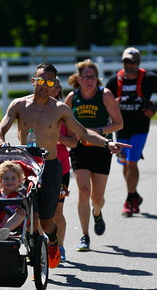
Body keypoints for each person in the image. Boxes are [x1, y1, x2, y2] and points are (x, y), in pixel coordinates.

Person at [0, 63, 131, 269]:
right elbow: (0, 130)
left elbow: (83, 133)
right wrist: (1, 144)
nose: (44, 85)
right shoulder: (19, 105)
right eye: (41, 80)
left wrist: (107, 142)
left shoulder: (59, 109)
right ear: (34, 81)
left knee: (48, 221)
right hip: (26, 166)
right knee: (31, 216)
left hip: (49, 166)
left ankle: (53, 243)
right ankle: (35, 257)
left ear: (54, 86)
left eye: (49, 82)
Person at [65, 59, 124, 251]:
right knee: (83, 191)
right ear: (78, 79)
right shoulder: (72, 98)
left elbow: (118, 123)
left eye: (92, 76)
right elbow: (63, 123)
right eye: (85, 77)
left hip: (101, 147)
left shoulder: (105, 95)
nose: (89, 80)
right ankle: (85, 236)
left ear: (97, 79)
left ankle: (97, 213)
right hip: (79, 149)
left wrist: (97, 130)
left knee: (97, 199)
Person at [106, 47, 157, 217]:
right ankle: (134, 196)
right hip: (120, 128)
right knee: (125, 163)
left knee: (132, 162)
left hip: (140, 128)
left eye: (132, 62)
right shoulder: (114, 81)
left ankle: (128, 200)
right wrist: (113, 104)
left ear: (139, 62)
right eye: (126, 61)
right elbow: (103, 101)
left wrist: (154, 109)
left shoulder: (148, 78)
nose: (129, 65)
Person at [51, 76, 77, 261]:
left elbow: (74, 141)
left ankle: (60, 246)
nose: (49, 88)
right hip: (38, 167)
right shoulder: (32, 109)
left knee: (57, 212)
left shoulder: (63, 111)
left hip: (61, 167)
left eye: (53, 85)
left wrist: (59, 140)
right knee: (37, 211)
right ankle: (43, 245)